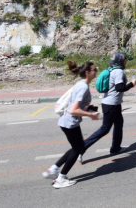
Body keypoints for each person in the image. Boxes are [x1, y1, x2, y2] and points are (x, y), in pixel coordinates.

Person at [42, 60, 100, 188]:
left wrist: (89, 109)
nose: (96, 71)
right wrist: (90, 115)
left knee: (76, 147)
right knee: (78, 148)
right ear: (88, 72)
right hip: (70, 122)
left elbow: (76, 105)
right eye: (95, 69)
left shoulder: (80, 83)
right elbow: (73, 110)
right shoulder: (83, 87)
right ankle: (60, 179)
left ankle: (53, 170)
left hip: (66, 121)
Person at [81, 52, 136, 161]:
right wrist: (131, 84)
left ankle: (115, 148)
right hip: (111, 104)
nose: (125, 62)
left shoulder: (112, 70)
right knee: (105, 129)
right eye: (124, 60)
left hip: (113, 104)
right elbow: (119, 88)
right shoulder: (119, 71)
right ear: (120, 61)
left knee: (118, 124)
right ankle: (81, 148)